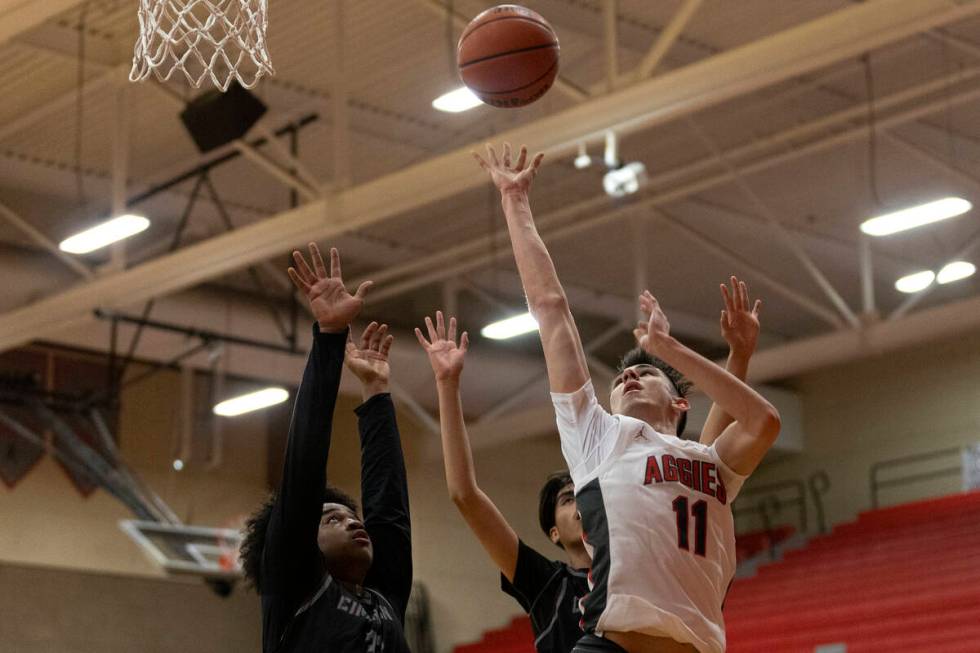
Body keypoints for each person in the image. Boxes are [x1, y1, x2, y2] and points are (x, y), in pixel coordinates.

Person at [473, 144, 781, 653]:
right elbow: (551, 310)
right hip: (613, 646)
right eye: (620, 378)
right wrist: (514, 200)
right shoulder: (597, 436)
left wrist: (670, 348)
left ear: (681, 405)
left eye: (644, 372)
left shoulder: (712, 463)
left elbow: (763, 420)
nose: (628, 377)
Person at [239, 244, 412, 653]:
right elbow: (305, 463)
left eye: (351, 517)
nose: (355, 523)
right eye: (332, 519)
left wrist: (375, 392)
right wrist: (330, 339)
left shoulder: (385, 597)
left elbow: (388, 506)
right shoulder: (295, 586)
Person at [415, 310, 590, 653]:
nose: (581, 501)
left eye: (585, 492)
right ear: (553, 533)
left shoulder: (635, 570)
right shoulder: (548, 583)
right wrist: (447, 386)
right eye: (568, 498)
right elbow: (465, 495)